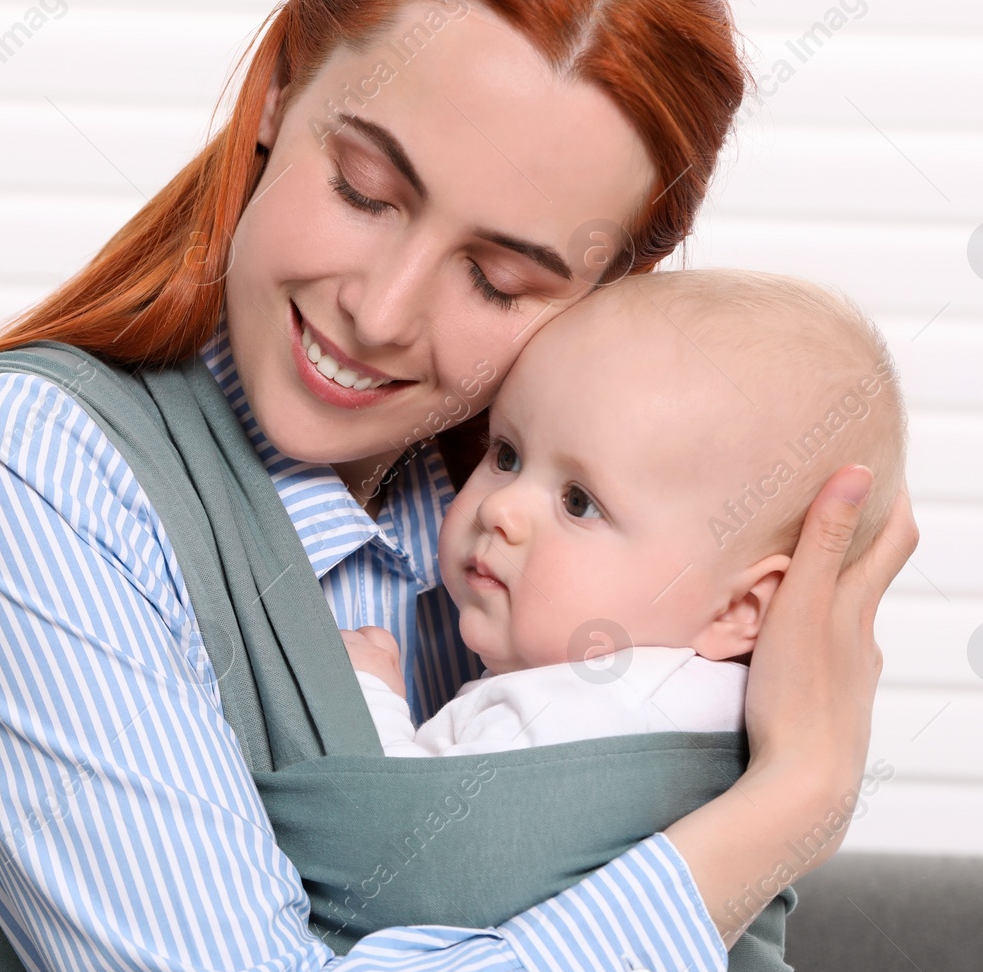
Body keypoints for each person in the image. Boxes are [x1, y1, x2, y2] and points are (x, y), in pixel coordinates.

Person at [0, 0, 919, 972]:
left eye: (497, 279)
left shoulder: (522, 544)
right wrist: (788, 804)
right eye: (364, 189)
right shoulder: (12, 469)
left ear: (599, 294)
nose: (380, 312)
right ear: (279, 89)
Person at [344, 268, 906, 760]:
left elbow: (404, 845)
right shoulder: (721, 718)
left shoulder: (571, 713)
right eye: (507, 455)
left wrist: (365, 694)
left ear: (739, 607)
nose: (499, 507)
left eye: (579, 502)